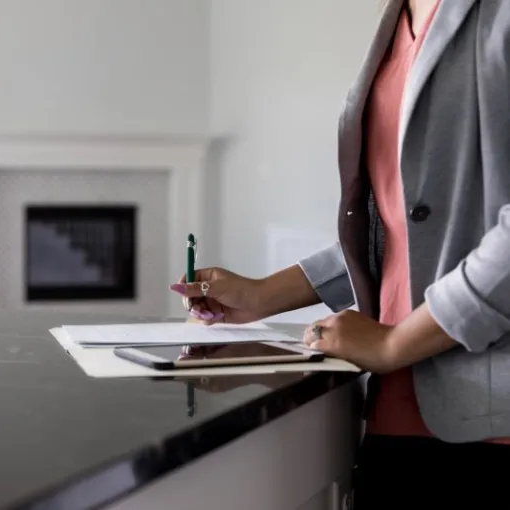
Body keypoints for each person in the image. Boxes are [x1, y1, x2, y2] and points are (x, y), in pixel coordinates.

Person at [171, 0, 510, 507]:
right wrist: (263, 294)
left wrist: (395, 343)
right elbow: (400, 226)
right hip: (397, 411)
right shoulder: (398, 17)